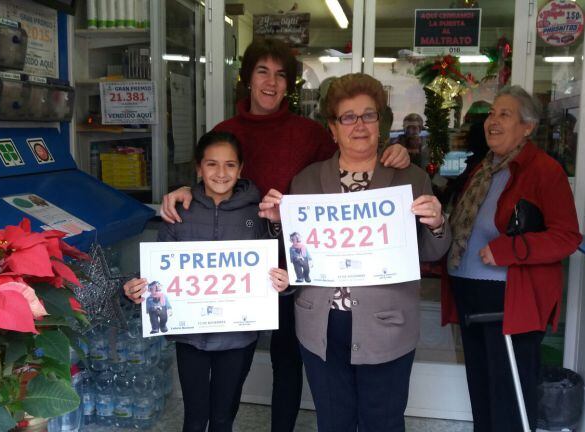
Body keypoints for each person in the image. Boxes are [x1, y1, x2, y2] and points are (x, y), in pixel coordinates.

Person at [159, 38, 410, 432]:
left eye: (280, 74)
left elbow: (353, 154)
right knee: (230, 358)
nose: (271, 82)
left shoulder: (309, 133)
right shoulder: (226, 130)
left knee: (288, 360)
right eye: (262, 71)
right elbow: (213, 179)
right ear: (247, 78)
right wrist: (185, 190)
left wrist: (395, 154)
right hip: (235, 272)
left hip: (296, 269)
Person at [258, 73, 450, 432]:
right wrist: (278, 222)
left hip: (386, 325)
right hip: (321, 325)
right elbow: (299, 255)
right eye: (348, 117)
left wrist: (438, 222)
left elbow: (432, 251)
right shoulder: (307, 181)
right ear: (333, 128)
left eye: (368, 115)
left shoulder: (411, 179)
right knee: (334, 422)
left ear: (381, 123)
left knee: (383, 422)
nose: (359, 125)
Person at [123, 131, 290, 432]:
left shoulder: (258, 210)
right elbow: (158, 269)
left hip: (238, 334)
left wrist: (281, 278)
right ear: (198, 168)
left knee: (224, 416)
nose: (221, 173)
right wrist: (137, 287)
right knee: (195, 417)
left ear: (241, 169)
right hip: (191, 335)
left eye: (230, 165)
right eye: (212, 164)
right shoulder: (180, 211)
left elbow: (274, 257)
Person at [441, 85, 582, 432]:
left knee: (510, 392)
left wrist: (507, 251)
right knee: (482, 384)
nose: (493, 121)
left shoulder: (544, 170)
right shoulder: (483, 168)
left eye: (505, 114)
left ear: (528, 126)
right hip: (469, 290)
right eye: (492, 113)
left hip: (510, 299)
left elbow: (567, 237)